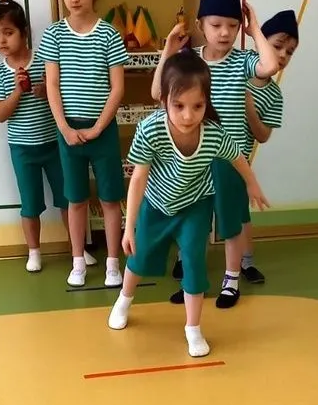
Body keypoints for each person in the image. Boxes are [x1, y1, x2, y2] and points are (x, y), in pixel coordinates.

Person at [108, 50, 269, 356]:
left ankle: (193, 328)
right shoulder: (150, 130)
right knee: (139, 258)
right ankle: (124, 300)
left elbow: (237, 157)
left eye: (197, 106)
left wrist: (252, 184)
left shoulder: (214, 135)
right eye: (178, 105)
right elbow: (138, 179)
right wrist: (129, 227)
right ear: (163, 100)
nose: (187, 116)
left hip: (195, 206)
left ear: (207, 103)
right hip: (156, 206)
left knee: (194, 265)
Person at [151, 0, 278, 309]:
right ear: (200, 25)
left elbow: (269, 66)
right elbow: (157, 93)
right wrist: (168, 50)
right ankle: (192, 282)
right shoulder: (189, 61)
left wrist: (255, 29)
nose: (224, 32)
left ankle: (231, 281)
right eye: (216, 24)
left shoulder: (243, 60)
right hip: (194, 160)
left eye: (232, 26)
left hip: (230, 159)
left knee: (230, 223)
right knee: (193, 224)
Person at [38, 0, 127, 288]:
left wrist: (99, 127)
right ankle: (78, 261)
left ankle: (113, 263)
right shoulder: (54, 36)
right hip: (69, 132)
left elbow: (117, 88)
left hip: (102, 131)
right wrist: (64, 128)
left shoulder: (109, 35)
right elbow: (52, 85)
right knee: (75, 199)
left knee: (110, 198)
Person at [0, 0, 96, 274]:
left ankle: (77, 250)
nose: (2, 40)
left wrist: (45, 91)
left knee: (68, 198)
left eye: (8, 32)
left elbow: (60, 93)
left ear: (24, 32)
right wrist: (17, 92)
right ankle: (34, 251)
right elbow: (0, 114)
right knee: (30, 204)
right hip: (22, 150)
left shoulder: (44, 62)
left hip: (54, 145)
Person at [239, 8, 299, 283]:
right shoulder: (237, 66)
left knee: (240, 212)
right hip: (205, 154)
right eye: (277, 46)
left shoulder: (274, 95)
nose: (283, 55)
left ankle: (247, 262)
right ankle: (184, 259)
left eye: (290, 52)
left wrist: (250, 108)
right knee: (199, 209)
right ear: (261, 42)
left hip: (239, 161)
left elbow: (263, 136)